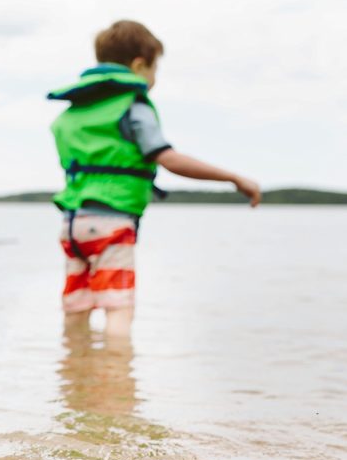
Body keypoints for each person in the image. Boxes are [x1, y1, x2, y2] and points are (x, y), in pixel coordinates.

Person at [46, 20, 261, 337]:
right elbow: (169, 159)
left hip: (72, 224)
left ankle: (76, 375)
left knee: (76, 306)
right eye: (154, 69)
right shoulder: (132, 104)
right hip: (111, 222)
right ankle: (118, 378)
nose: (154, 78)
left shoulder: (73, 112)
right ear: (139, 65)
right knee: (118, 307)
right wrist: (233, 178)